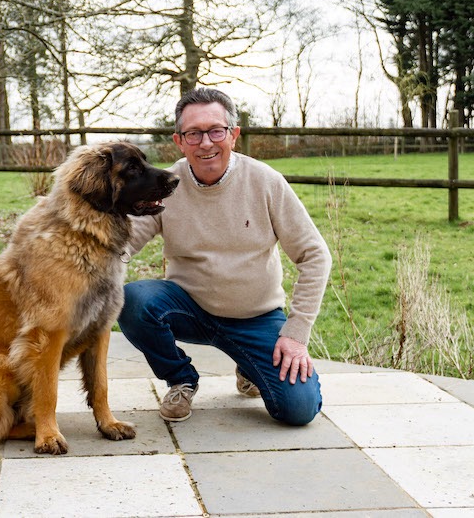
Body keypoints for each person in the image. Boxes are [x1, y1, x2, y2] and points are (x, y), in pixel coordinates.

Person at [118, 87, 332, 425]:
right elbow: (122, 245)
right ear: (179, 141)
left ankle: (248, 367)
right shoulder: (165, 186)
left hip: (256, 317)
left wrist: (296, 332)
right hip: (188, 308)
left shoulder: (266, 182)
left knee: (299, 410)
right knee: (132, 299)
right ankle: (180, 378)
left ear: (234, 135)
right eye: (193, 133)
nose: (205, 142)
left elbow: (315, 255)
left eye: (216, 131)